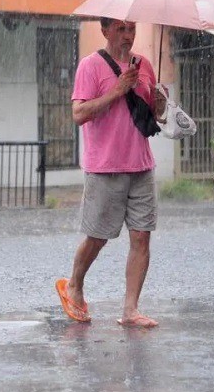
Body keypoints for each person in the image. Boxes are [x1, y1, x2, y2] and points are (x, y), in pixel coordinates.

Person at [56, 18, 166, 328]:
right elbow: (79, 114)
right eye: (121, 29)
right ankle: (74, 284)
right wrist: (117, 90)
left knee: (142, 236)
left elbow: (153, 115)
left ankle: (130, 310)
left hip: (141, 164)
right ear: (105, 31)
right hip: (105, 167)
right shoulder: (90, 66)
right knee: (98, 236)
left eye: (132, 28)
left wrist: (159, 102)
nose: (128, 35)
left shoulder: (144, 64)